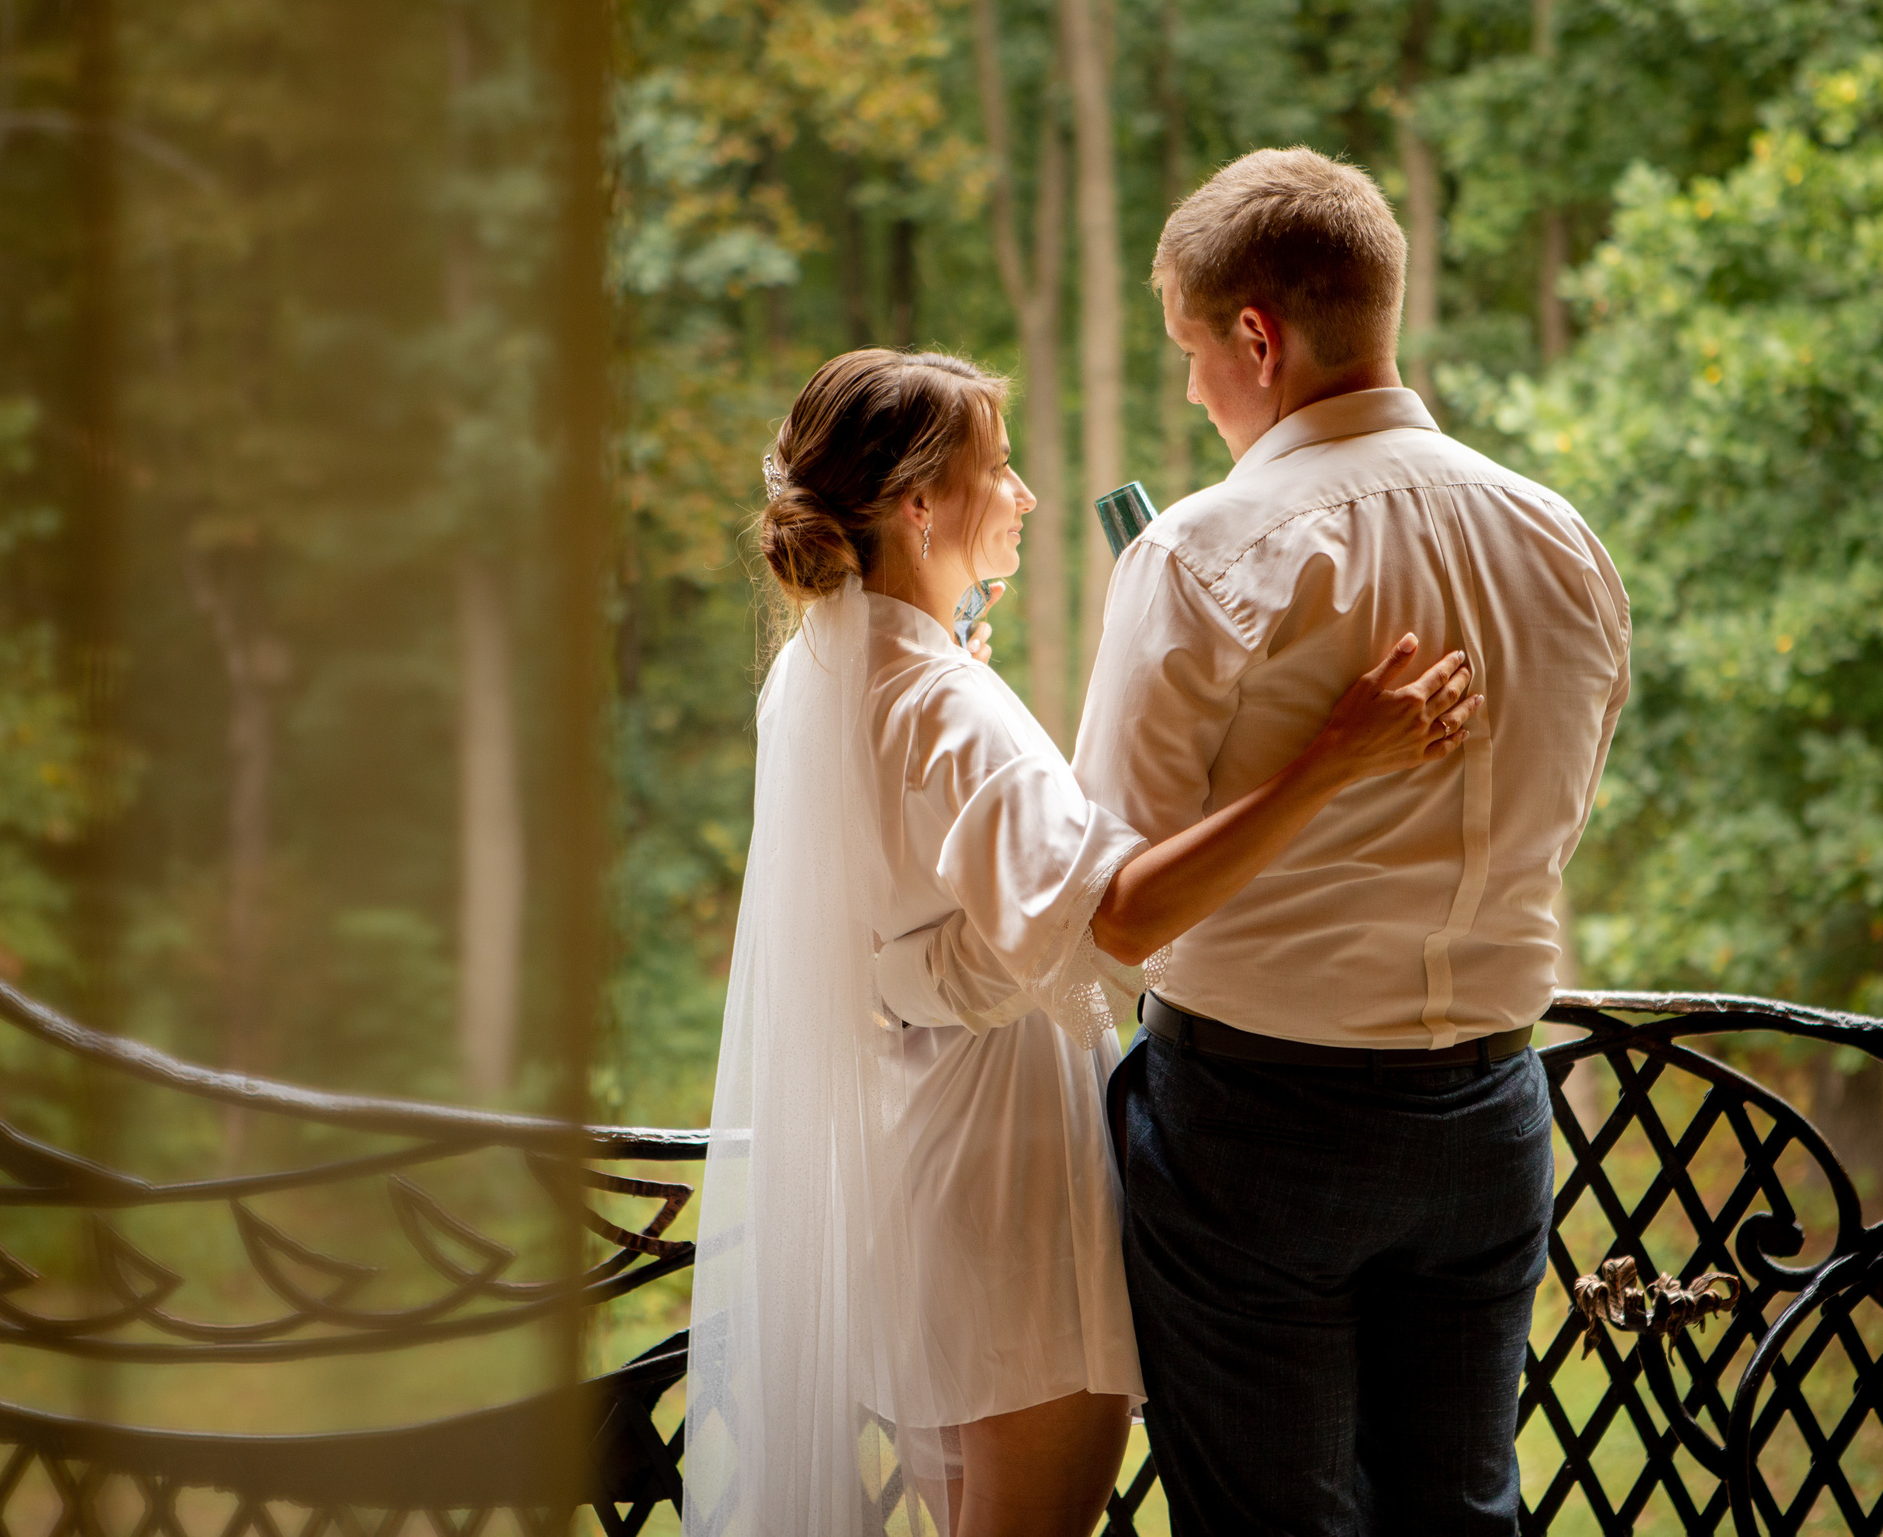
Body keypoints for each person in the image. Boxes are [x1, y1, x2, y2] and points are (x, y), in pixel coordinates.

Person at [682, 347, 1482, 1537]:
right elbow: (1118, 920)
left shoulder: (818, 668)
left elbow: (895, 924)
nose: (1026, 496)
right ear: (918, 506)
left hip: (910, 1166)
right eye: (999, 472)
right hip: (1006, 1184)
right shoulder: (941, 702)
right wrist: (1336, 758)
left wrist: (910, 974)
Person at [1074, 148, 1633, 1534]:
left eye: (1194, 352)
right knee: (1461, 1509)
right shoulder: (1562, 539)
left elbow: (1113, 906)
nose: (1196, 392)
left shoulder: (1203, 552)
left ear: (1256, 337)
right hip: (1498, 1111)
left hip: (1261, 1127)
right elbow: (1552, 813)